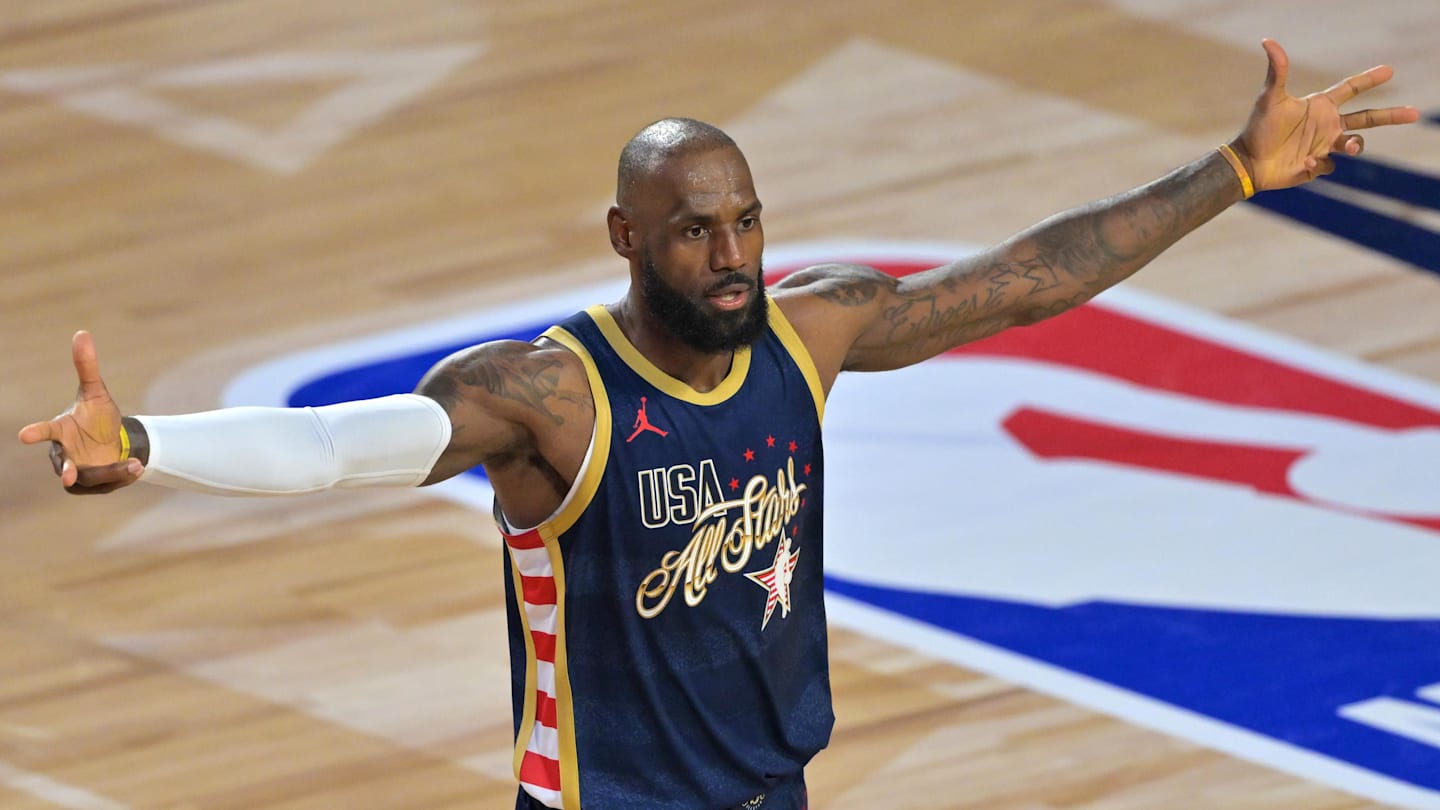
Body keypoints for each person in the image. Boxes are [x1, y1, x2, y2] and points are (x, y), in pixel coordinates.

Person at [18, 39, 1419, 810]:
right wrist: (146, 439)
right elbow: (336, 446)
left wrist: (1234, 170)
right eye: (697, 232)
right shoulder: (550, 396)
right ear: (629, 237)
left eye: (747, 221)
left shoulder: (810, 335)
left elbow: (1025, 279)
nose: (734, 252)